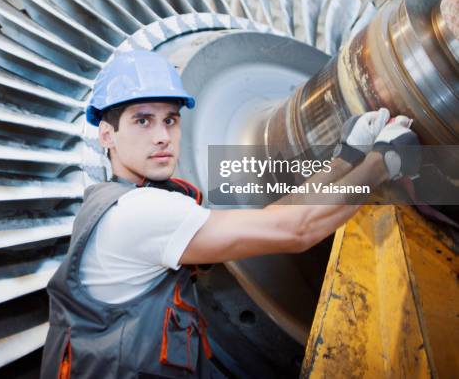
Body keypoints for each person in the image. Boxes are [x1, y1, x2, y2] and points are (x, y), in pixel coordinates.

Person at [40, 49, 419, 378]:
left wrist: (346, 158)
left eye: (170, 120)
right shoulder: (139, 214)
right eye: (143, 120)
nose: (162, 136)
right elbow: (296, 229)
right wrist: (382, 164)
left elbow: (283, 213)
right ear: (107, 135)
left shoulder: (118, 200)